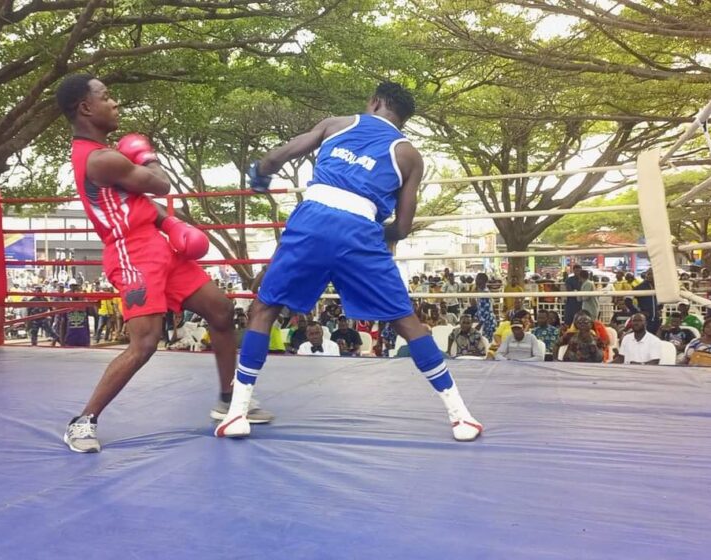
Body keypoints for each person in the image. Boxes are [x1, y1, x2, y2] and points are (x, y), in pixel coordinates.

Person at [214, 81, 482, 442]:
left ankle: (236, 415)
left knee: (263, 309)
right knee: (406, 321)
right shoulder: (409, 156)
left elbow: (277, 157)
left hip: (312, 219)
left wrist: (260, 174)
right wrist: (368, 232)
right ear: (402, 118)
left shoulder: (337, 123)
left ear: (374, 102)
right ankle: (461, 416)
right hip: (361, 234)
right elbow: (402, 228)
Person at [55, 74, 272, 453]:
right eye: (106, 97)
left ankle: (227, 399)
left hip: (157, 247)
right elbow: (160, 185)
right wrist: (146, 154)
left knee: (220, 311)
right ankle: (83, 421)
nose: (115, 103)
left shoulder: (107, 156)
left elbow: (139, 202)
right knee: (145, 343)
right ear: (86, 108)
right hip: (131, 254)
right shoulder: (101, 159)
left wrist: (168, 222)